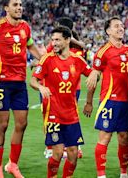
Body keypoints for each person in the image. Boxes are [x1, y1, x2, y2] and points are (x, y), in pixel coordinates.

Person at [0, 0, 42, 178]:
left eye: (21, 4)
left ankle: (12, 164)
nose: (19, 7)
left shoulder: (25, 27)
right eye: (15, 5)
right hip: (1, 83)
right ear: (6, 8)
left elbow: (30, 46)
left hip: (20, 82)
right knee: (3, 125)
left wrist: (43, 60)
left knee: (22, 123)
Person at [30, 26, 93, 178]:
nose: (54, 43)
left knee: (73, 154)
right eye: (52, 40)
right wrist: (40, 87)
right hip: (53, 114)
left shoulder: (78, 60)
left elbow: (93, 77)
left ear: (67, 40)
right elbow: (33, 80)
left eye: (57, 40)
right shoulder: (47, 59)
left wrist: (89, 102)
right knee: (57, 152)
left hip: (72, 115)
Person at [84, 17, 128, 178]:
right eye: (116, 26)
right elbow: (94, 78)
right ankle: (101, 175)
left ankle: (124, 173)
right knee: (105, 137)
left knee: (124, 138)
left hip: (126, 102)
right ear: (108, 31)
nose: (120, 28)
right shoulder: (103, 52)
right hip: (109, 101)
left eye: (121, 26)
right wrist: (89, 102)